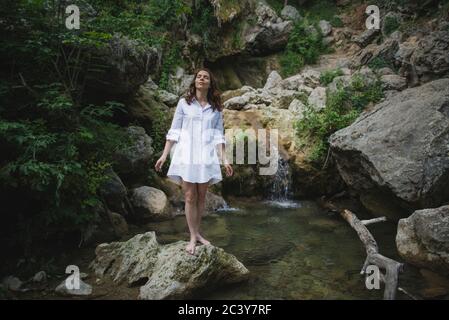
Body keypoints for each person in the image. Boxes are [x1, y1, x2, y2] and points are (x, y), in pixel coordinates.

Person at [155, 68, 233, 255]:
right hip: (186, 155)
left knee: (202, 197)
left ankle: (197, 233)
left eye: (205, 77)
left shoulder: (215, 108)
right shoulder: (184, 103)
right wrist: (164, 155)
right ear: (195, 81)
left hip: (206, 156)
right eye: (199, 76)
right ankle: (192, 237)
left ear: (209, 83)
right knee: (190, 196)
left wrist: (225, 159)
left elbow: (218, 136)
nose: (202, 79)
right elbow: (174, 131)